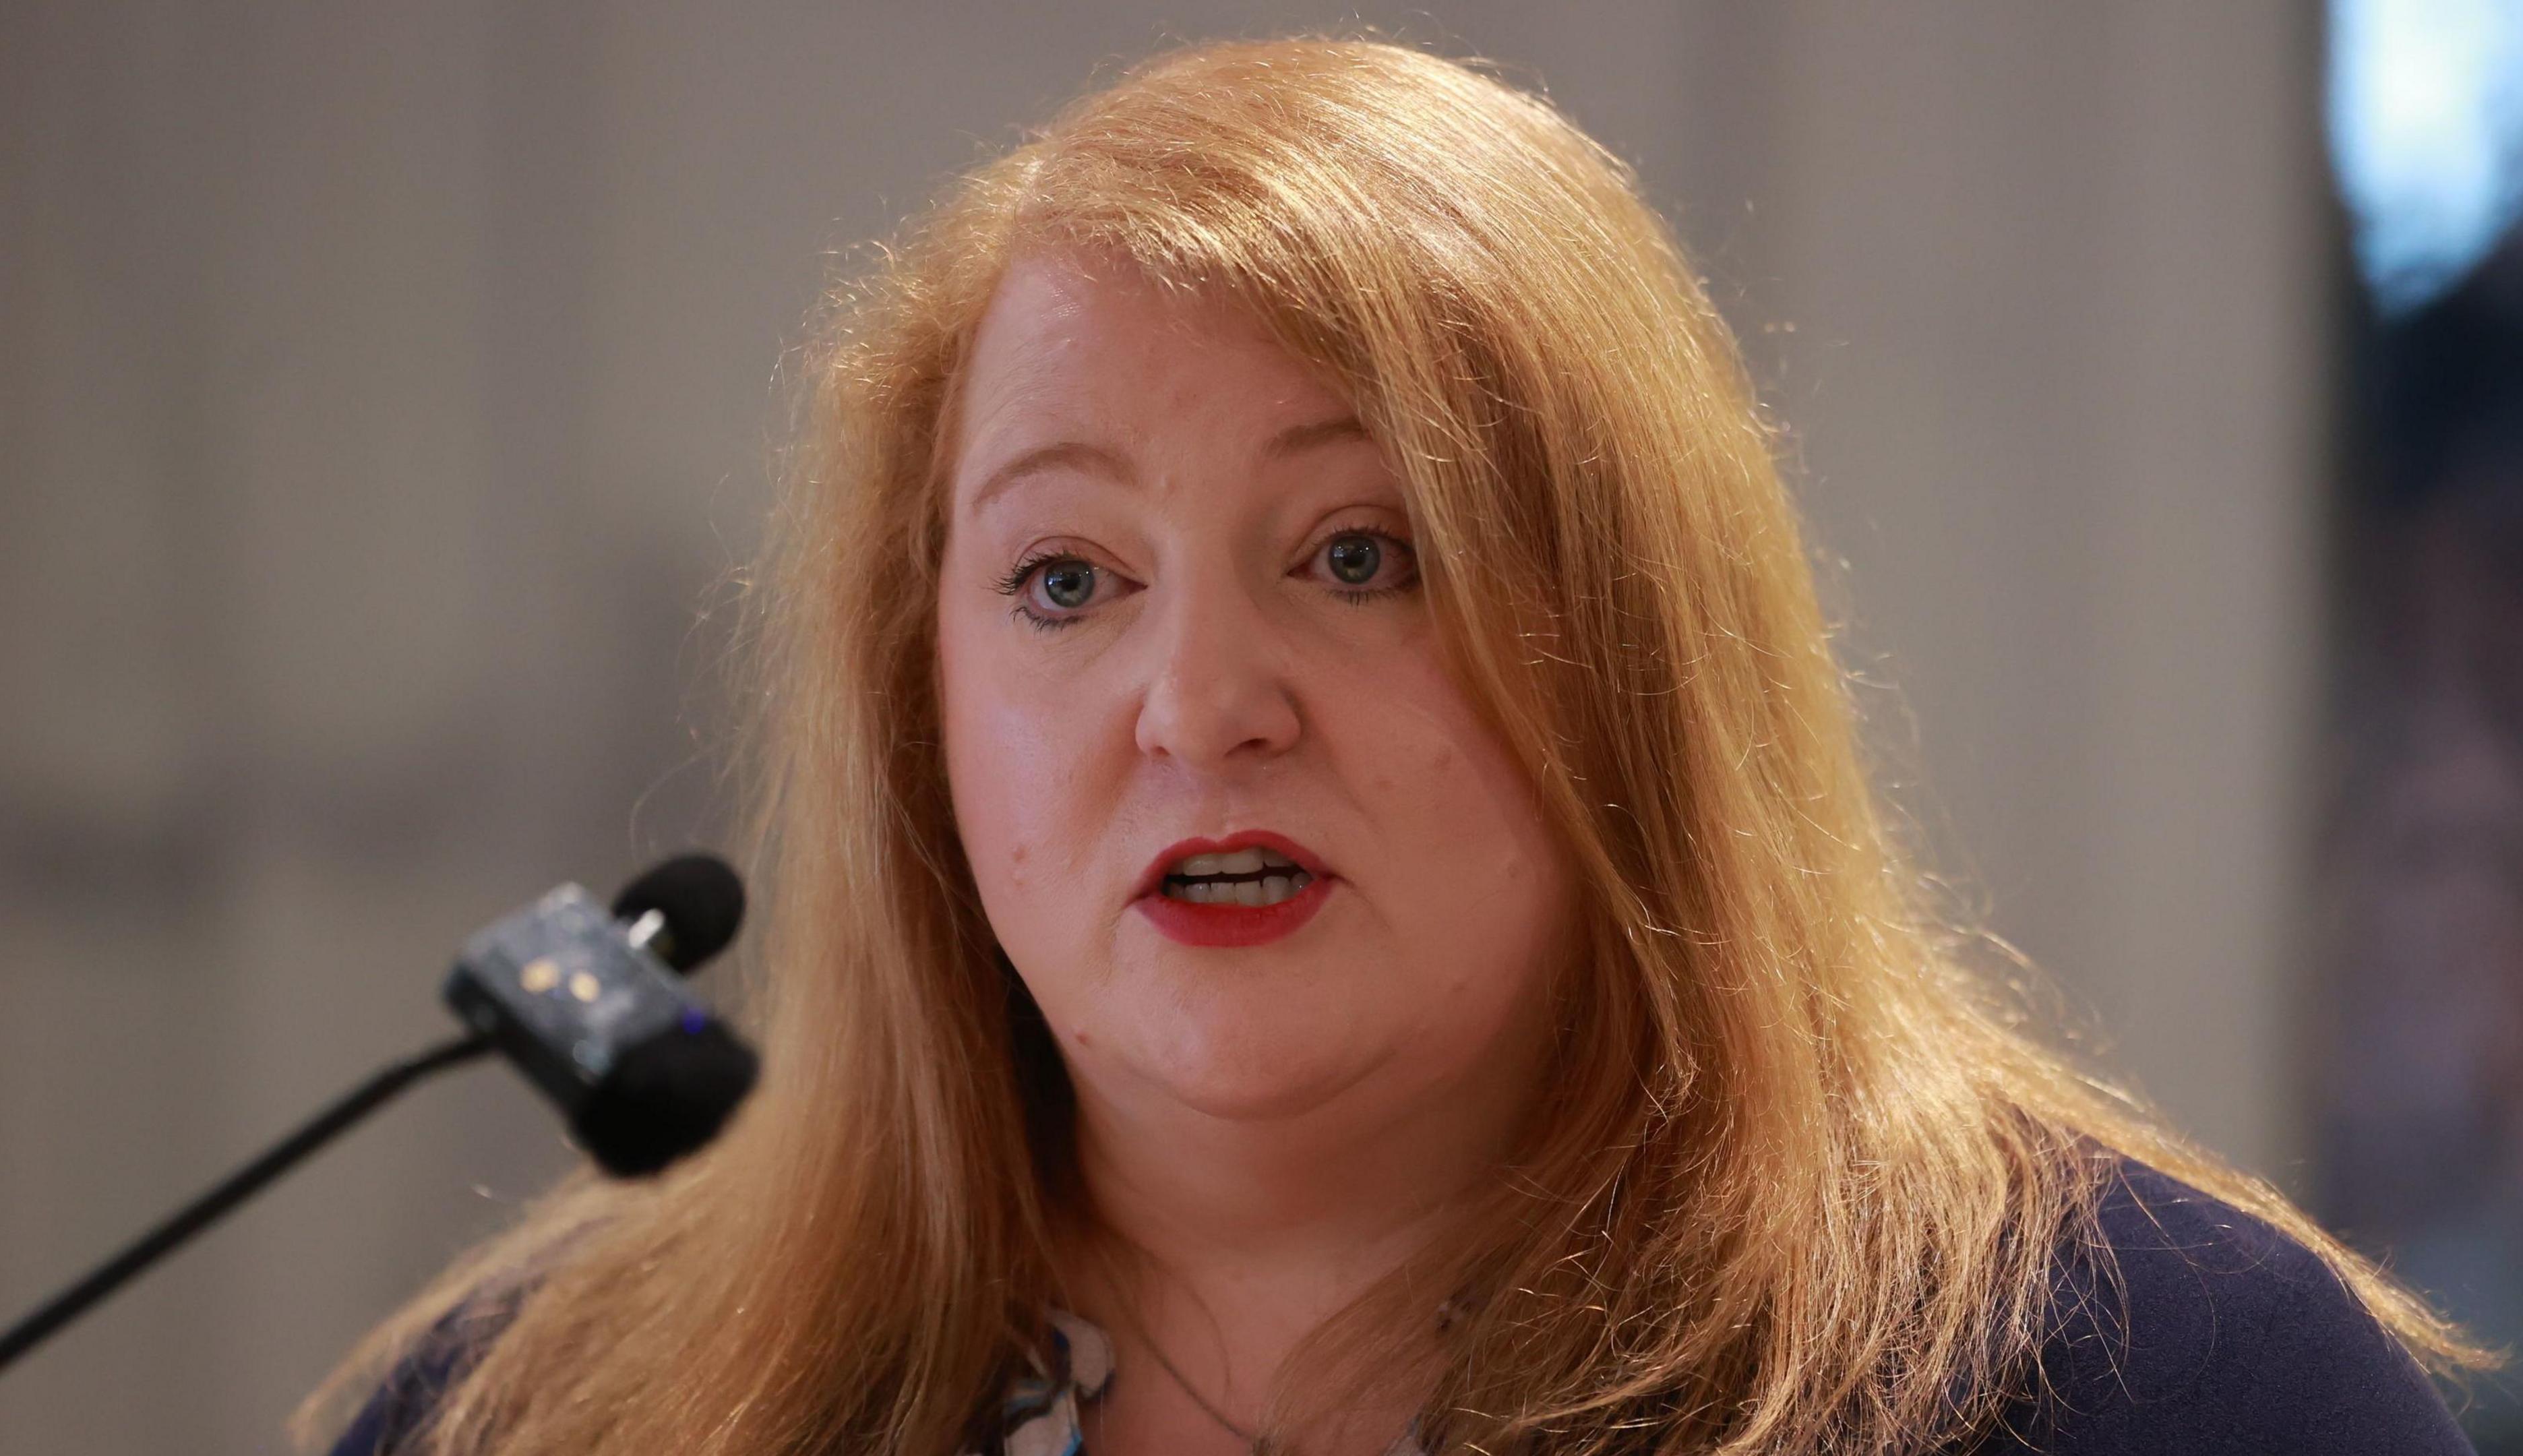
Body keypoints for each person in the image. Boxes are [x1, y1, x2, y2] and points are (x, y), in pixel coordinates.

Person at [299, 35, 2495, 1456]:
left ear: (1637, 655)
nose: (1198, 705)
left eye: (1363, 553)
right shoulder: (543, 1413)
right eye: (1068, 581)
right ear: (922, 701)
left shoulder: (2150, 1389)